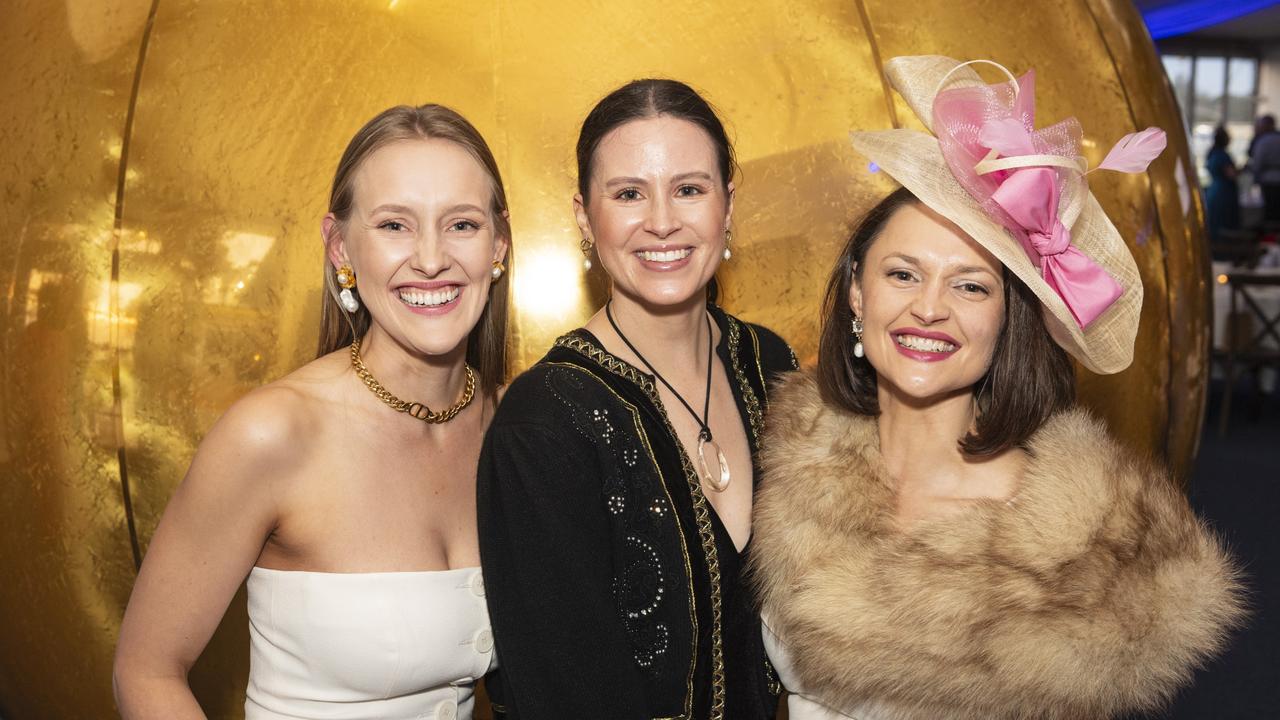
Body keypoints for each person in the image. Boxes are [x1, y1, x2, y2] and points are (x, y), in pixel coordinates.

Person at [750, 56, 1244, 720]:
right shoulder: (786, 464)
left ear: (1007, 321)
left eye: (970, 285)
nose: (930, 308)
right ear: (857, 298)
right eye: (902, 274)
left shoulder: (1068, 560)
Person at [113, 104, 512, 720]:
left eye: (461, 224)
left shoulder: (514, 429)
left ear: (499, 245)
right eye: (394, 226)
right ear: (339, 246)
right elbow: (145, 672)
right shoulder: (274, 434)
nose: (431, 259)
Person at [477, 79, 794, 720]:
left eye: (689, 189)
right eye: (628, 194)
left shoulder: (772, 365)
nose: (661, 221)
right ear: (583, 217)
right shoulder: (544, 422)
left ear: (727, 205)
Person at [1206, 125, 1241, 243]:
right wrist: (1242, 170)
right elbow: (1231, 174)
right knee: (1223, 222)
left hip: (1214, 190)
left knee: (1215, 221)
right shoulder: (1222, 155)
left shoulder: (1212, 153)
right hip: (1223, 192)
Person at [1249, 114, 1280, 222]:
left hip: (1269, 181)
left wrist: (1255, 179)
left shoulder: (1263, 141)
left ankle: (1270, 235)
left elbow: (1258, 162)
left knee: (1270, 211)